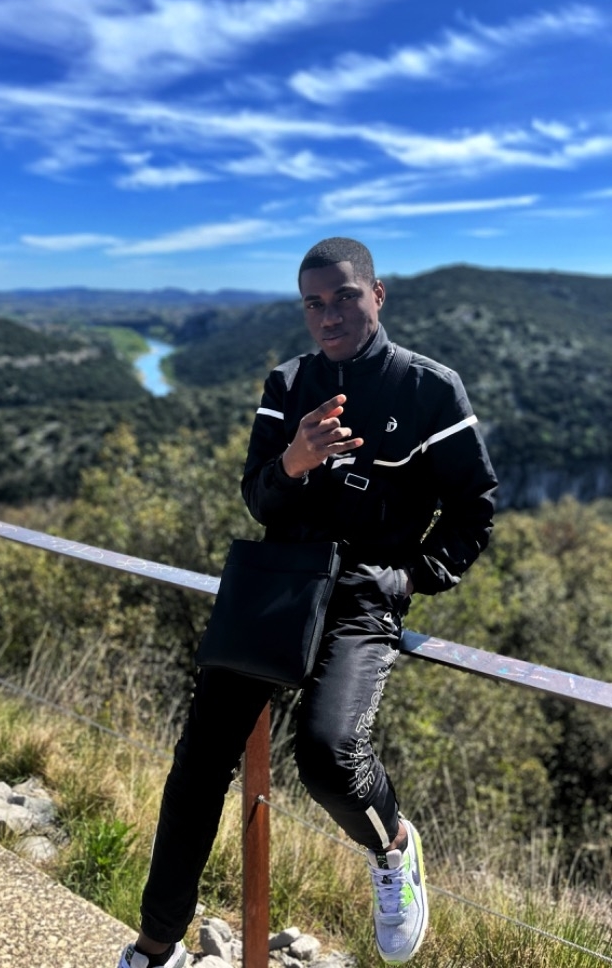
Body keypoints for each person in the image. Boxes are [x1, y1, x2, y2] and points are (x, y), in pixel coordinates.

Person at [118, 237, 497, 968]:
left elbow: (474, 507)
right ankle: (155, 947)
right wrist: (293, 461)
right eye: (313, 304)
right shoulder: (288, 383)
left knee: (326, 755)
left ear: (377, 295)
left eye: (344, 297)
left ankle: (393, 844)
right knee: (198, 767)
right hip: (279, 584)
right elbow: (258, 497)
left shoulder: (429, 388)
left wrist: (413, 577)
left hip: (363, 596)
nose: (329, 316)